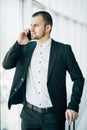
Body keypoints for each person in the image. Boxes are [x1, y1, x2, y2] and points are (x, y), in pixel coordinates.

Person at [2, 11, 84, 130]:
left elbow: (78, 79)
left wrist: (73, 106)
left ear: (47, 27)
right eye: (31, 25)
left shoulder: (64, 50)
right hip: (28, 116)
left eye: (36, 25)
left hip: (54, 117)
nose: (31, 29)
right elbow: (6, 64)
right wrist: (19, 43)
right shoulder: (26, 47)